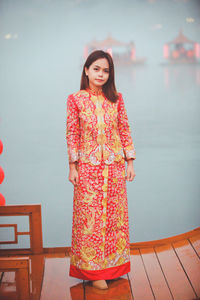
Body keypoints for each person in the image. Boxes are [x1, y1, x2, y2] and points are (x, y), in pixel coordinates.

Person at [66, 50, 136, 290]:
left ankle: (113, 267)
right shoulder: (75, 99)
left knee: (115, 220)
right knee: (90, 220)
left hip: (115, 169)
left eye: (105, 70)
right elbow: (72, 134)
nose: (101, 74)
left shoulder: (117, 98)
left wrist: (130, 161)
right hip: (88, 170)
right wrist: (72, 167)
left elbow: (124, 129)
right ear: (86, 70)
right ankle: (93, 272)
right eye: (96, 69)